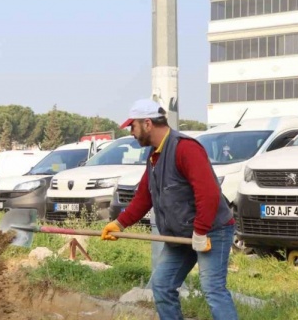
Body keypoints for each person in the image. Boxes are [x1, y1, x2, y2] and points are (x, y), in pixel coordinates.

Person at [101, 98, 238, 320]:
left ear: (147, 123)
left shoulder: (186, 148)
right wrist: (120, 223)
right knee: (162, 285)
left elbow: (209, 193)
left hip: (212, 230)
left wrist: (201, 231)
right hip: (181, 234)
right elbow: (145, 196)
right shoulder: (155, 155)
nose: (131, 132)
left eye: (132, 126)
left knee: (213, 289)